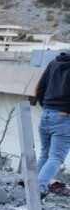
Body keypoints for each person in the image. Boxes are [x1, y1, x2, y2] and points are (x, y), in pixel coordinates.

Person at [34, 51, 70, 196]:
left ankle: (31, 185)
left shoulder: (54, 63)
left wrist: (47, 106)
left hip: (46, 114)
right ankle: (39, 188)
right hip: (64, 117)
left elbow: (38, 89)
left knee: (44, 154)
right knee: (56, 157)